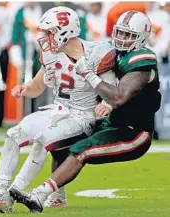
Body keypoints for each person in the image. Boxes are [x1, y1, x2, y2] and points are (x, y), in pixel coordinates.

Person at [9, 10, 161, 213]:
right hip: (110, 122)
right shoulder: (112, 53)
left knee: (84, 149)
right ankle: (57, 196)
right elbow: (108, 87)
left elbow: (118, 96)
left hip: (135, 131)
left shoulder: (142, 60)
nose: (122, 39)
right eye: (120, 33)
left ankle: (40, 194)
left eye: (129, 35)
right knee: (62, 136)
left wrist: (89, 75)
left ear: (141, 37)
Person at [0, 6, 116, 213]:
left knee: (43, 139)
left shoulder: (96, 52)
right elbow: (37, 86)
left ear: (65, 31)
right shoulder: (50, 54)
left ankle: (14, 192)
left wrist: (106, 105)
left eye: (49, 31)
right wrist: (25, 89)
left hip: (82, 116)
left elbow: (111, 88)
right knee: (13, 133)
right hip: (57, 110)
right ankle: (0, 190)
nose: (44, 36)